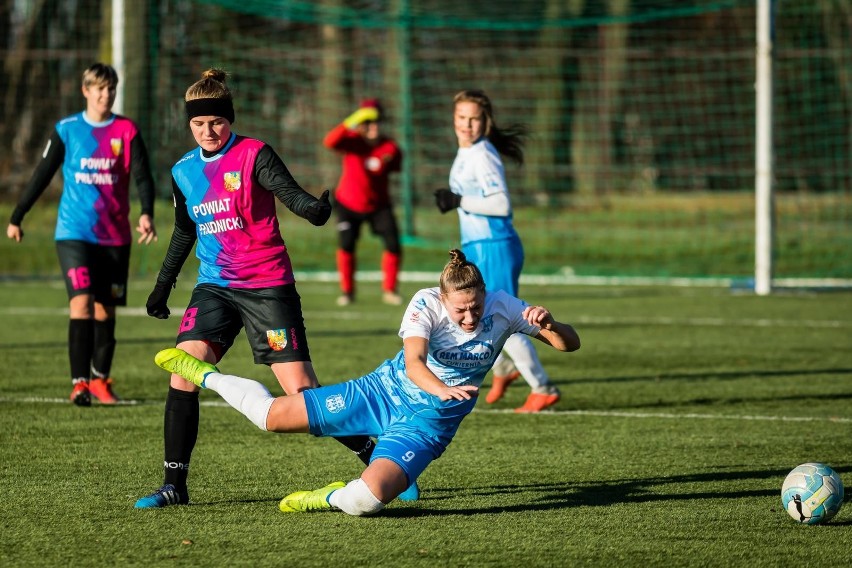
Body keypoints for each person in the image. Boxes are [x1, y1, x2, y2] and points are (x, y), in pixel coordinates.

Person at [153, 249, 580, 516]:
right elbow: (414, 362)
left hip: (429, 424)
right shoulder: (425, 303)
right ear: (443, 297)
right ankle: (204, 374)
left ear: (485, 296)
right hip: (382, 392)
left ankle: (323, 497)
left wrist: (551, 323)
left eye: (475, 307)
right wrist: (441, 388)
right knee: (270, 418)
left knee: (368, 500)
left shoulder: (505, 308)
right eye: (461, 310)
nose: (470, 318)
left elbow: (569, 345)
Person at [134, 68, 375, 508]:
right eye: (198, 124)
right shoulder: (183, 171)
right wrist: (162, 286)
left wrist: (313, 210)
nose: (208, 131)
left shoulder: (254, 153)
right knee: (183, 371)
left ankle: (372, 452)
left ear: (230, 118)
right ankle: (174, 485)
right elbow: (184, 231)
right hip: (215, 286)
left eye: (216, 122)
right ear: (188, 124)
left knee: (300, 393)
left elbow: (290, 193)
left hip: (267, 286)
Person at [5, 62, 158, 406]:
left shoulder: (127, 131)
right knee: (82, 303)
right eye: (100, 89)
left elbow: (143, 177)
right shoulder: (67, 129)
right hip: (73, 233)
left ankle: (101, 380)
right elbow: (42, 174)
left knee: (106, 311)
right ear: (85, 90)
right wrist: (18, 215)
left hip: (116, 237)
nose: (106, 95)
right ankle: (80, 383)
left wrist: (147, 213)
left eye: (111, 89)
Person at [433, 89, 562, 413]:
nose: (467, 124)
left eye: (474, 118)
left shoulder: (482, 153)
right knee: (483, 313)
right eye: (461, 118)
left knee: (499, 314)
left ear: (485, 121)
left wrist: (459, 200)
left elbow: (501, 202)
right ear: (454, 119)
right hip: (480, 245)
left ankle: (542, 387)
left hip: (495, 245)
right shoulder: (466, 152)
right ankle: (504, 369)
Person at [323, 99, 404, 306]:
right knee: (347, 244)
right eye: (367, 122)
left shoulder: (389, 147)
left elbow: (395, 162)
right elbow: (330, 142)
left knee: (393, 244)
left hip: (378, 205)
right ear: (360, 123)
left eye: (376, 121)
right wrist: (351, 121)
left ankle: (389, 290)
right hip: (348, 204)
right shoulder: (352, 141)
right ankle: (347, 292)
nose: (373, 126)